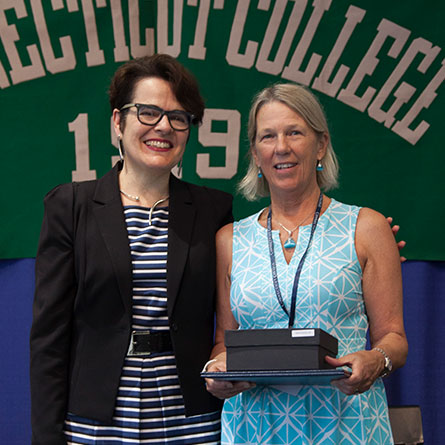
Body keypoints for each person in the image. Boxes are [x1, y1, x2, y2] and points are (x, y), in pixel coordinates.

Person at [30, 54, 233, 444]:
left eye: (178, 117)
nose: (163, 127)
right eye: (148, 112)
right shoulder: (70, 206)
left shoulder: (213, 210)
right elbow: (48, 338)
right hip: (95, 424)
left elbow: (256, 278)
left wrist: (356, 246)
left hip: (191, 421)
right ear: (118, 122)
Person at [205, 83, 408, 444]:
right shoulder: (229, 240)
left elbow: (393, 338)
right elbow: (224, 342)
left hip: (347, 425)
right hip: (254, 429)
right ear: (255, 153)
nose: (281, 147)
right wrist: (216, 371)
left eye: (294, 132)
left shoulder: (366, 227)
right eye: (268, 136)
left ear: (321, 144)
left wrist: (375, 361)